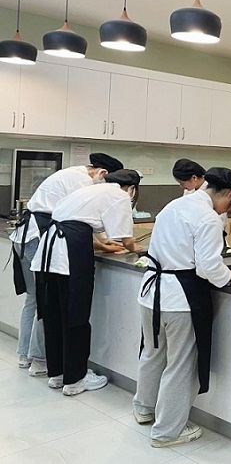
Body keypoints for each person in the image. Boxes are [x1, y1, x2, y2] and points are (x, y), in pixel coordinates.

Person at [133, 167, 231, 448]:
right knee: (181, 364)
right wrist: (228, 275)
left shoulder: (174, 205)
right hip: (180, 299)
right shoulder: (207, 218)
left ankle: (144, 408)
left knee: (152, 353)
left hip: (151, 292)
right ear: (230, 194)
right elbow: (208, 267)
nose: (228, 211)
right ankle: (167, 431)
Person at [10, 153, 123, 376]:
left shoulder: (72, 173)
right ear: (102, 173)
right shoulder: (82, 182)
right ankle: (40, 360)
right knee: (46, 301)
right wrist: (104, 245)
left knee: (34, 299)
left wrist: (101, 242)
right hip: (38, 235)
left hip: (25, 234)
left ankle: (25, 355)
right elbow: (75, 223)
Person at [32, 169, 140, 396]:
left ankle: (57, 373)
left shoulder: (91, 190)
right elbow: (126, 239)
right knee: (76, 313)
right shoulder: (120, 195)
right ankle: (75, 379)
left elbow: (80, 225)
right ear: (131, 189)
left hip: (50, 248)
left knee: (54, 313)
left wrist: (106, 245)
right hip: (71, 250)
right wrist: (137, 249)